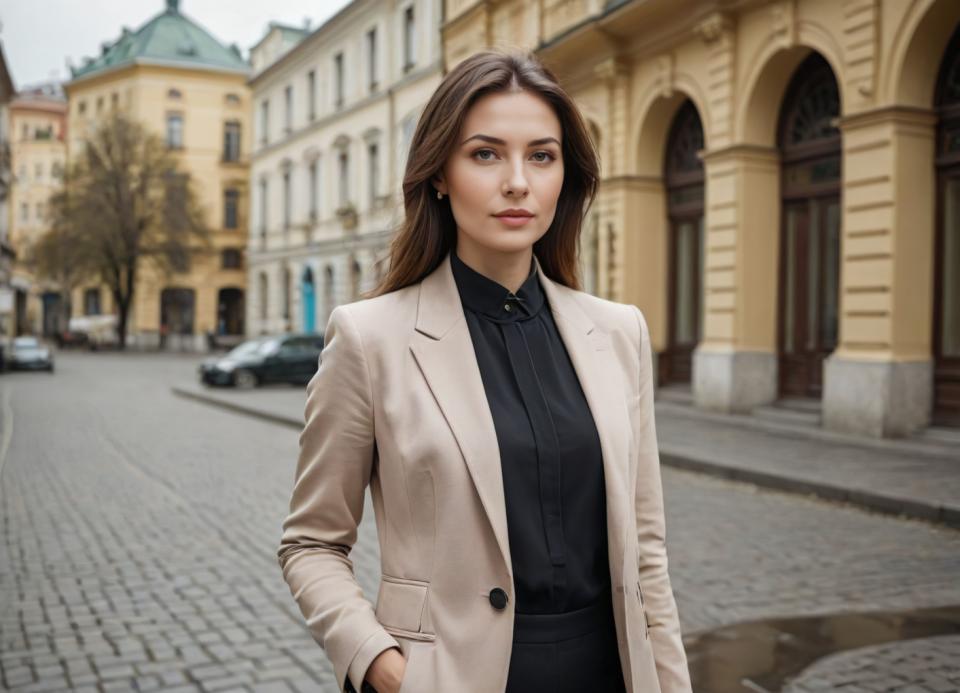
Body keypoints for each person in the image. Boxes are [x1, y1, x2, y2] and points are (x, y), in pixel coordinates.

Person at [277, 49, 692, 693]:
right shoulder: (371, 339)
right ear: (439, 174)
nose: (518, 181)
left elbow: (646, 552)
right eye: (486, 154)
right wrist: (383, 666)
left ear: (565, 177)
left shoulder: (618, 333)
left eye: (542, 156)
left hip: (609, 673)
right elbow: (311, 544)